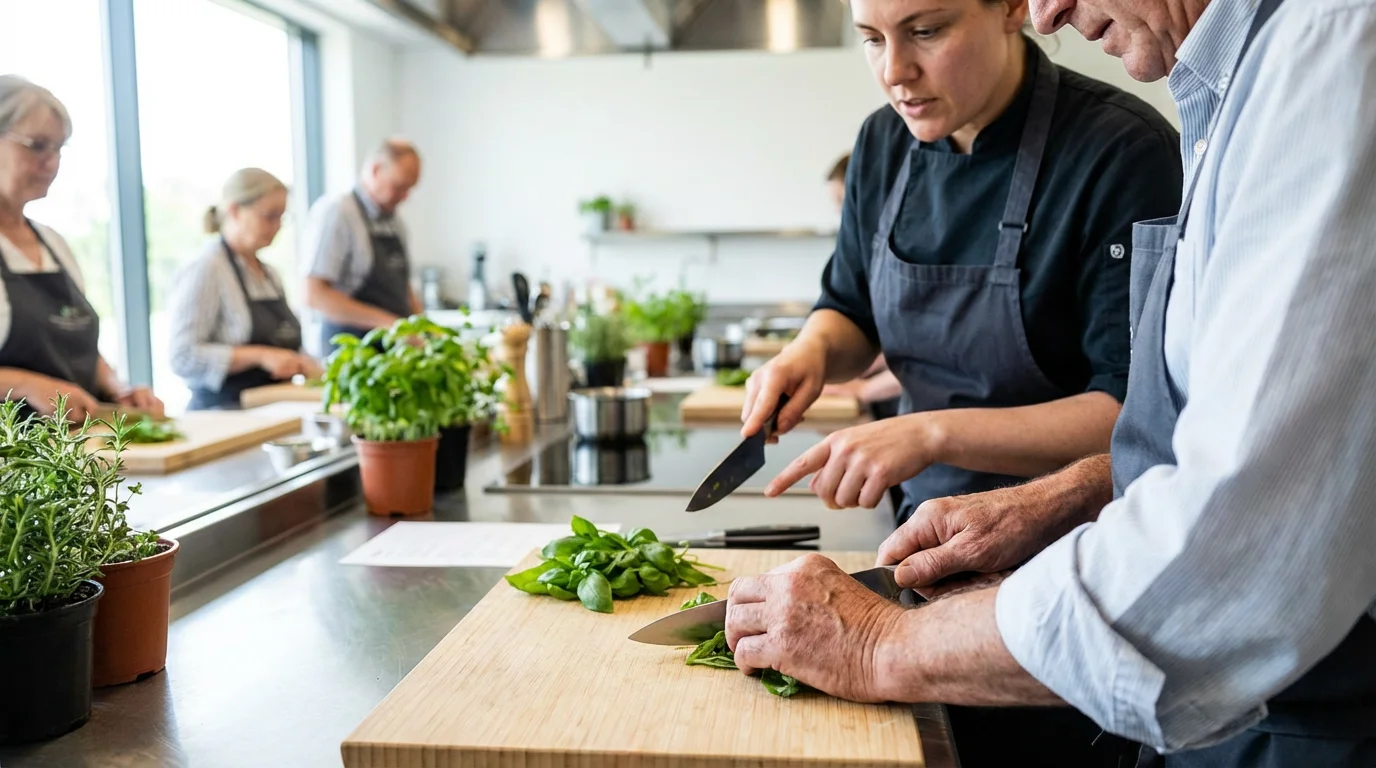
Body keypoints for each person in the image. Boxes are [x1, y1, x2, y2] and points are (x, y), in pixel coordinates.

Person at [725, 0, 1376, 766]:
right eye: (871, 40)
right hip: (1000, 565)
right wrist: (810, 352)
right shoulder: (886, 144)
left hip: (1227, 661)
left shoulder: (1270, 84)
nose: (1048, 12)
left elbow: (1226, 512)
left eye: (926, 31)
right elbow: (1212, 431)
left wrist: (879, 642)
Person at [0, 75, 162, 422]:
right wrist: (27, 385)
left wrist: (118, 387)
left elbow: (81, 351)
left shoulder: (54, 243)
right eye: (38, 145)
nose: (53, 162)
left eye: (60, 148)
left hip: (77, 455)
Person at [167, 168, 319, 410]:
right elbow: (182, 356)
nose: (277, 226)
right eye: (269, 216)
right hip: (221, 415)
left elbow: (284, 343)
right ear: (235, 210)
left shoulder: (270, 274)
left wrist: (305, 363)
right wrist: (260, 356)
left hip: (270, 413)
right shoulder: (207, 269)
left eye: (282, 217)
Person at [303, 138, 423, 355]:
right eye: (399, 187)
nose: (404, 197)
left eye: (409, 189)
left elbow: (403, 288)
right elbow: (315, 294)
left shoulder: (396, 223)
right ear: (376, 170)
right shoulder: (338, 214)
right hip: (352, 351)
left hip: (394, 350)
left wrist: (422, 328)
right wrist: (390, 324)